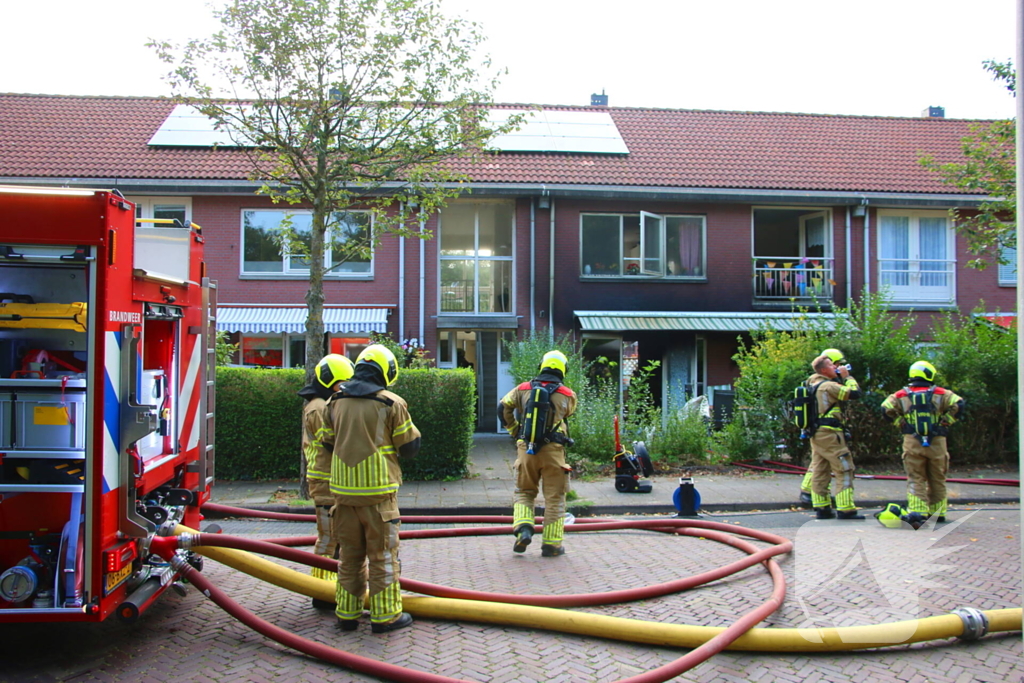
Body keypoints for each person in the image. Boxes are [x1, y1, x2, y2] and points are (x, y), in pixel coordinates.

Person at [319, 344, 421, 633]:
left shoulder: (334, 401)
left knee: (349, 556)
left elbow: (327, 441)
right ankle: (385, 616)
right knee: (382, 556)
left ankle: (347, 614)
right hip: (379, 495)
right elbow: (409, 447)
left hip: (342, 493)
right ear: (387, 371)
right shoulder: (391, 402)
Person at [499, 349, 578, 557]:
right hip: (554, 452)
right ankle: (552, 545)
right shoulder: (568, 395)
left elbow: (502, 407)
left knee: (524, 492)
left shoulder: (523, 388)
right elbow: (568, 414)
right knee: (554, 498)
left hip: (527, 450)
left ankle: (523, 528)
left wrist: (514, 430)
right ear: (563, 369)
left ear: (541, 366)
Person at [298, 353, 354, 610]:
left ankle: (331, 588)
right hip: (325, 483)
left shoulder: (319, 402)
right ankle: (321, 593)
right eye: (342, 385)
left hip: (330, 480)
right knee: (328, 540)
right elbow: (331, 440)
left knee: (337, 538)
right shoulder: (319, 407)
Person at [881, 360, 964, 523]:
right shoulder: (941, 393)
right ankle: (938, 513)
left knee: (915, 477)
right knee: (938, 478)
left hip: (912, 441)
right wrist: (946, 421)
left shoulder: (901, 394)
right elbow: (959, 404)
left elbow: (885, 408)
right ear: (929, 373)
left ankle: (918, 511)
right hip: (937, 442)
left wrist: (900, 422)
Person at [805, 352, 863, 519]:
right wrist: (847, 376)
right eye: (832, 365)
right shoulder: (828, 387)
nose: (836, 367)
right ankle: (846, 509)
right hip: (830, 434)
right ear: (823, 371)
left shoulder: (812, 385)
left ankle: (821, 507)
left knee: (820, 469)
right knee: (844, 467)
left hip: (816, 433)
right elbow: (855, 393)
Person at [799, 348, 846, 507]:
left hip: (815, 427)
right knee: (822, 463)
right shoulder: (825, 384)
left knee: (818, 460)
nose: (838, 367)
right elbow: (849, 394)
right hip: (825, 429)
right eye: (836, 364)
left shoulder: (813, 381)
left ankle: (809, 493)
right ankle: (808, 492)